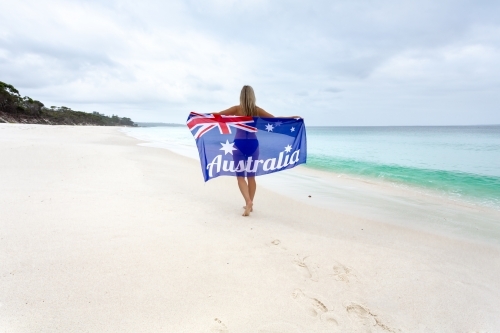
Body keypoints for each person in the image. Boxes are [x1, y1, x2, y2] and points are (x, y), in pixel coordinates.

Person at [213, 85, 300, 217]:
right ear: (253, 96)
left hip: (239, 144)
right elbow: (275, 120)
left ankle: (247, 201)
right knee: (251, 176)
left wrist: (199, 116)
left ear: (241, 96)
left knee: (240, 176)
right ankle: (251, 202)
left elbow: (217, 115)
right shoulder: (257, 110)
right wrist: (291, 119)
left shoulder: (236, 109)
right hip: (253, 144)